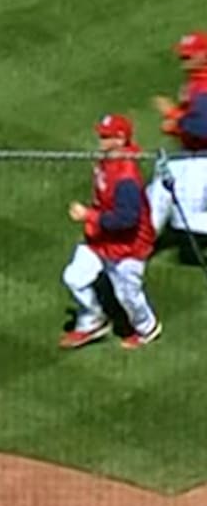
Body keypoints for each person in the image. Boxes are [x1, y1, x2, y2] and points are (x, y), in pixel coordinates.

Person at [59, 115, 160, 350]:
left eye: (106, 136)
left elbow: (127, 220)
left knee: (128, 296)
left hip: (128, 246)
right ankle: (92, 321)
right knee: (74, 277)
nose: (100, 140)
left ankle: (147, 328)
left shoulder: (127, 177)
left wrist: (89, 216)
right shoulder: (106, 161)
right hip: (101, 238)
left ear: (121, 139)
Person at [148, 31, 207, 241]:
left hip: (200, 159)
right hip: (189, 155)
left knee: (185, 220)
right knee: (159, 192)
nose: (183, 60)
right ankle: (134, 248)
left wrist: (174, 118)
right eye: (182, 55)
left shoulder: (204, 87)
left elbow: (203, 127)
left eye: (188, 56)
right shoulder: (196, 80)